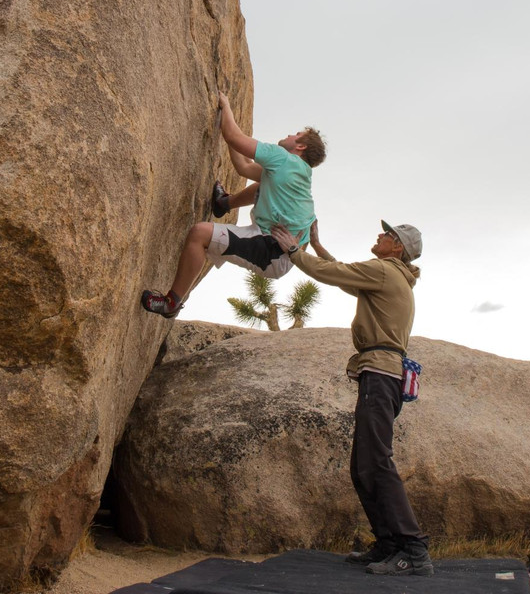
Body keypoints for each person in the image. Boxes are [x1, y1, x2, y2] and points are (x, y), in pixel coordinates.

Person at [271, 219, 432, 577]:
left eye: (387, 235)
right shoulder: (387, 275)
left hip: (380, 373)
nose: (380, 236)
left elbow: (334, 275)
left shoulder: (385, 271)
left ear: (398, 248)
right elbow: (344, 276)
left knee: (376, 463)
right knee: (363, 467)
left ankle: (414, 549)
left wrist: (295, 251)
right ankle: (389, 544)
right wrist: (316, 248)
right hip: (381, 374)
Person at [140, 91, 326, 319]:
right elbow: (244, 168)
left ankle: (172, 302)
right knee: (263, 181)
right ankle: (223, 203)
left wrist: (225, 104)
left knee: (200, 233)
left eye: (296, 134)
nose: (289, 134)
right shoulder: (293, 172)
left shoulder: (284, 159)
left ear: (301, 147)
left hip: (274, 250)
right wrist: (225, 133)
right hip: (279, 247)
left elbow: (235, 137)